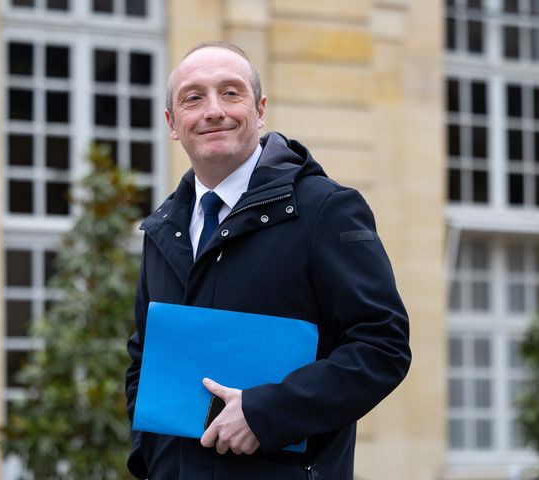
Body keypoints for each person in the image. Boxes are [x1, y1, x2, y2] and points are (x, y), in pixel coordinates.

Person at [125, 41, 411, 480]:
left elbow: (382, 347)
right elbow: (144, 358)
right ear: (172, 124)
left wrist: (265, 413)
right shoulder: (164, 229)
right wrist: (150, 457)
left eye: (231, 92)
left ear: (259, 111)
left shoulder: (326, 210)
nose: (214, 110)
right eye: (194, 98)